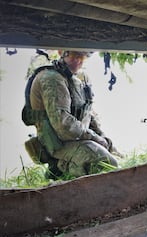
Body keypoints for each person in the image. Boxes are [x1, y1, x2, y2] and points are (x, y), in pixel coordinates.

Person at [27, 50, 119, 178]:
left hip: (77, 138)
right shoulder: (51, 78)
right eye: (74, 55)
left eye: (83, 56)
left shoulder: (76, 80)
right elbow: (63, 125)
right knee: (104, 162)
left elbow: (87, 114)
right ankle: (62, 168)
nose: (79, 60)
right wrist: (94, 138)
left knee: (116, 155)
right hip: (57, 144)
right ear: (61, 53)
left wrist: (103, 139)